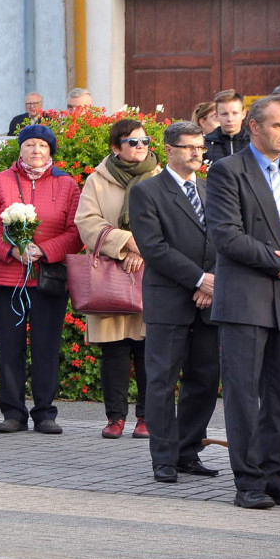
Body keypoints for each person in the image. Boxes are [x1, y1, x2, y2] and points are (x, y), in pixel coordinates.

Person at [206, 95, 280, 509]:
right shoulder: (226, 171)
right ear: (254, 127)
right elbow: (226, 235)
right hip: (246, 299)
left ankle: (275, 476)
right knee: (242, 394)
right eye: (278, 125)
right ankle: (248, 482)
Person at [0, 124, 82, 434]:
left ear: (51, 151)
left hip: (47, 279)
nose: (36, 151)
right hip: (6, 278)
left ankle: (45, 413)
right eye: (30, 145)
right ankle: (13, 413)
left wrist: (43, 251)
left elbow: (76, 232)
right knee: (9, 348)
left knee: (46, 346)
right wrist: (12, 250)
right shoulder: (1, 181)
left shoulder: (66, 184)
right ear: (19, 149)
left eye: (43, 146)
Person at [129, 121, 220, 484]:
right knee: (163, 381)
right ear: (169, 149)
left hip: (209, 301)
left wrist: (211, 283)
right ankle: (163, 457)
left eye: (201, 147)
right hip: (169, 301)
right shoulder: (147, 192)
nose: (197, 153)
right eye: (189, 147)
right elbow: (154, 248)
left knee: (205, 379)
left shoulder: (211, 189)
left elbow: (226, 237)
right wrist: (199, 279)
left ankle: (188, 451)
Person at [75, 118, 161, 439]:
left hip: (150, 274)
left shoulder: (159, 177)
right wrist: (126, 243)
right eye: (132, 142)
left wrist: (142, 249)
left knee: (147, 349)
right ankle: (115, 418)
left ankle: (146, 418)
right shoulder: (96, 181)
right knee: (114, 350)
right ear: (115, 147)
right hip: (110, 274)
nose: (141, 147)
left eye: (145, 141)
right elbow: (86, 222)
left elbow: (169, 221)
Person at [204, 89, 249, 165]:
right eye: (224, 114)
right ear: (216, 115)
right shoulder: (205, 144)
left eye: (235, 113)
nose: (230, 119)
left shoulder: (254, 143)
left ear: (243, 114)